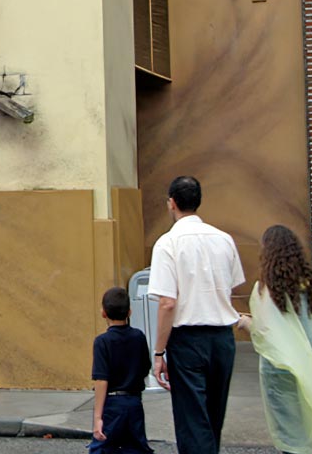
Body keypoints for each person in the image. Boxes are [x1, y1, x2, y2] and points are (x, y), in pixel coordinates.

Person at [236, 225, 312, 454]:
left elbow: (267, 333)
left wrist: (245, 323)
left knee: (289, 434)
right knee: (310, 423)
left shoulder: (266, 290)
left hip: (279, 370)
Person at [148, 176, 245, 454]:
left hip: (188, 338)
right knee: (214, 418)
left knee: (192, 421)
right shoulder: (224, 240)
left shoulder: (167, 243)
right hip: (223, 336)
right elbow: (232, 287)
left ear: (172, 203)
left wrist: (158, 352)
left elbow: (167, 302)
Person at [90, 287, 154, 454]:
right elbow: (145, 367)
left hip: (112, 403)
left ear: (103, 313)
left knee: (102, 447)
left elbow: (101, 379)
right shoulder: (139, 336)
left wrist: (97, 417)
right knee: (135, 448)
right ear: (129, 312)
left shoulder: (102, 342)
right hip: (134, 401)